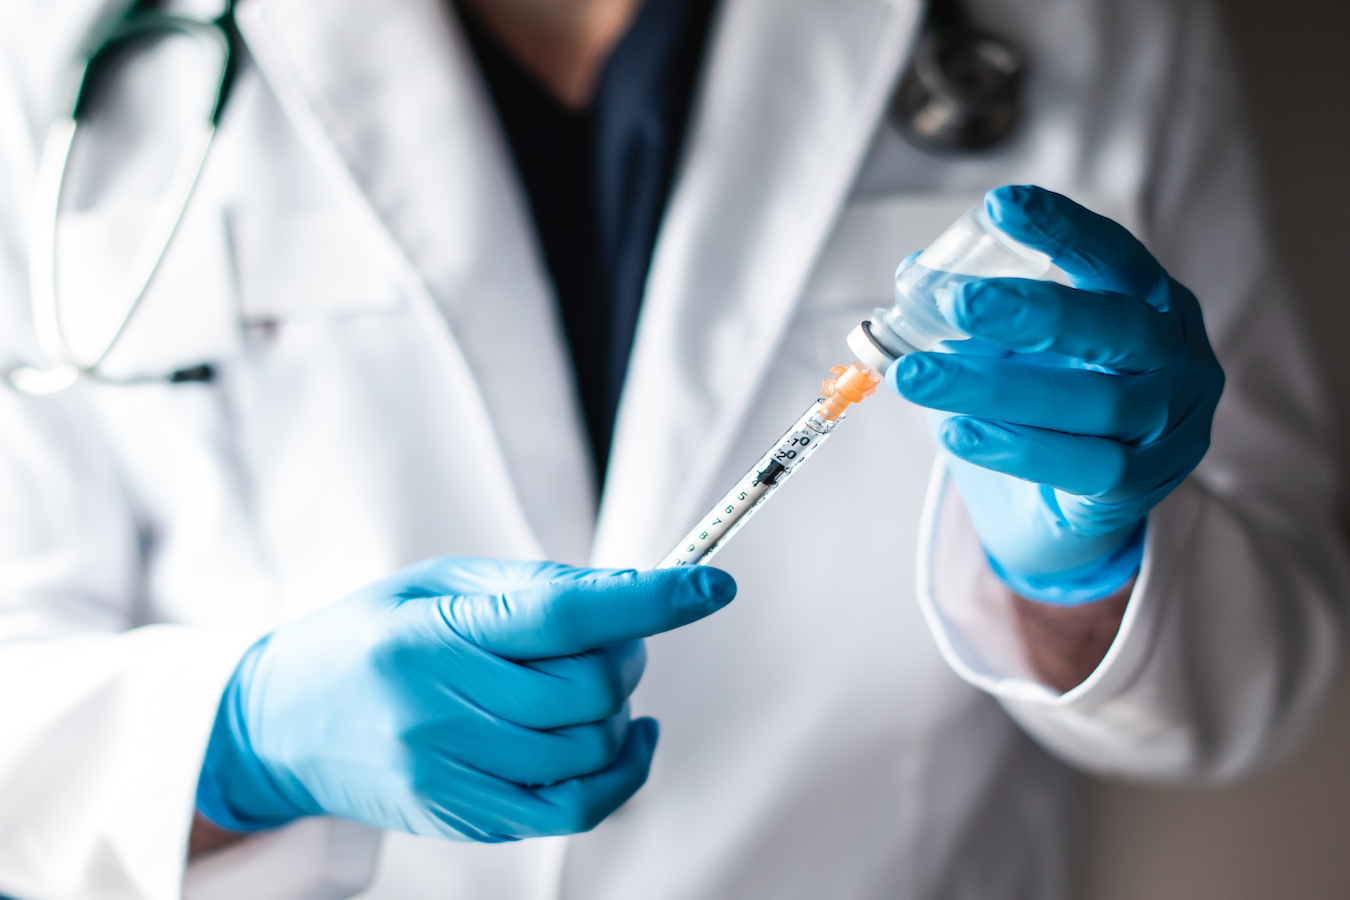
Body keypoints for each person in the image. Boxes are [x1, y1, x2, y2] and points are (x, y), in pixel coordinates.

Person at [0, 0, 1344, 897]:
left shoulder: (1087, 28)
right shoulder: (57, 53)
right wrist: (234, 732)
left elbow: (1254, 676)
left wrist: (1085, 577)